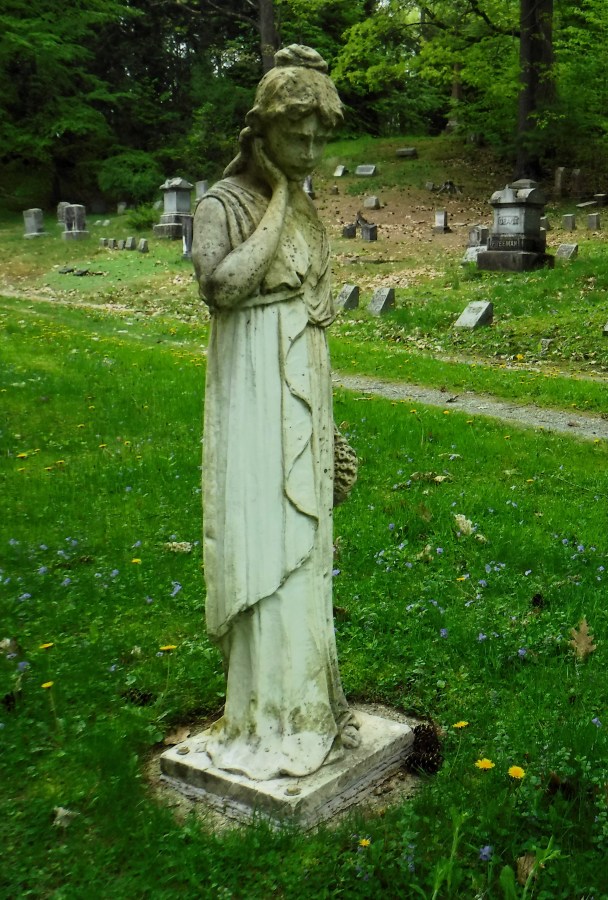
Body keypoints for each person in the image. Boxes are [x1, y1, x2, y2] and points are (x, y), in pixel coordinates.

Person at [192, 45, 358, 780]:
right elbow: (223, 285)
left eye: (321, 137)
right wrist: (283, 199)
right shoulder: (220, 205)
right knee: (263, 540)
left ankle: (309, 711)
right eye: (301, 135)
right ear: (262, 131)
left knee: (305, 557)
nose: (313, 150)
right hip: (251, 395)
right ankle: (263, 715)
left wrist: (326, 433)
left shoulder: (311, 211)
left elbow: (314, 317)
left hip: (300, 388)